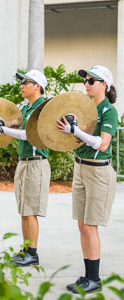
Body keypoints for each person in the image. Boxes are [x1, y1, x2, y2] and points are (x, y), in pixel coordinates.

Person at [57, 65, 118, 294]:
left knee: (90, 226)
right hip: (81, 168)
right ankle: (87, 275)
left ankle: (94, 278)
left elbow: (102, 144)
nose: (87, 84)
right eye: (86, 80)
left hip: (98, 172)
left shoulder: (109, 111)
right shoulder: (85, 109)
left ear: (104, 84)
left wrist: (76, 131)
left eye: (92, 81)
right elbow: (77, 138)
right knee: (82, 225)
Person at [0, 70, 51, 267]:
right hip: (24, 162)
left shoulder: (43, 109)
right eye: (22, 82)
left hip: (36, 162)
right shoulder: (25, 109)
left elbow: (30, 135)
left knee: (31, 210)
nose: (22, 85)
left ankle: (32, 253)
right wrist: (1, 124)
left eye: (26, 82)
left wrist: (4, 129)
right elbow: (15, 128)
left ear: (38, 86)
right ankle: (26, 249)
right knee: (24, 210)